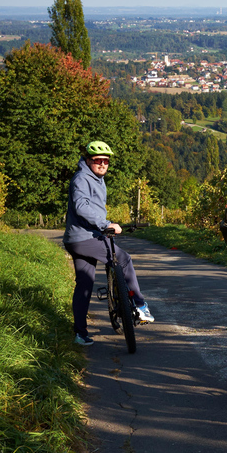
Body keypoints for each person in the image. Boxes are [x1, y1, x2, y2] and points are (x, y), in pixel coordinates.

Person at [63, 141, 154, 346]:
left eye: (106, 161)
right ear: (88, 160)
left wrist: (104, 224)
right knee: (122, 259)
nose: (102, 164)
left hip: (82, 237)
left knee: (85, 285)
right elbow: (81, 207)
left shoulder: (96, 178)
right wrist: (106, 224)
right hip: (84, 237)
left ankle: (80, 333)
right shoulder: (82, 178)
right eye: (97, 160)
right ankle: (140, 305)